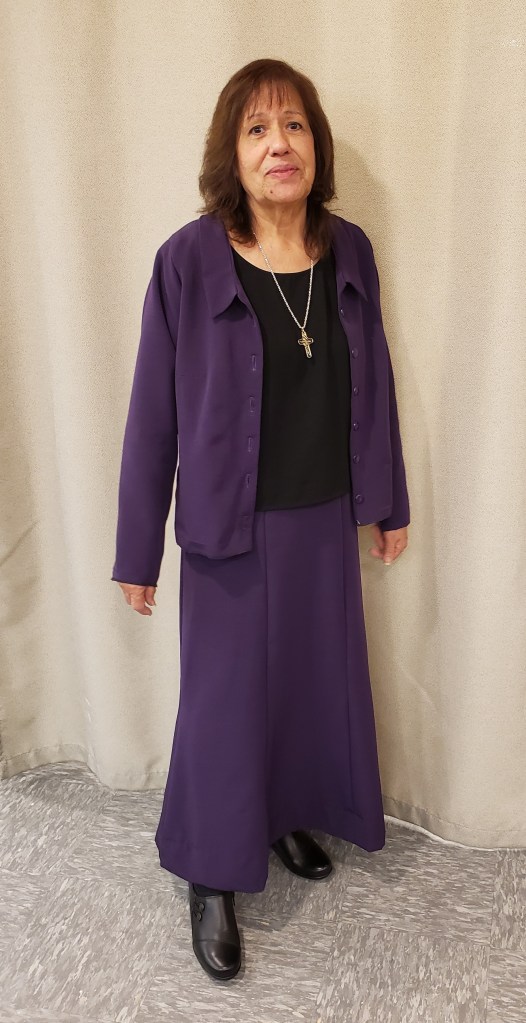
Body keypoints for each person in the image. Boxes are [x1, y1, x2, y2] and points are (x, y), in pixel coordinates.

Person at [111, 57, 410, 982]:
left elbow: (377, 379)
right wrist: (135, 549)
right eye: (256, 129)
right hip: (227, 526)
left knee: (308, 684)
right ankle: (210, 869)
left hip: (323, 514)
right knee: (224, 703)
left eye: (294, 126)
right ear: (230, 155)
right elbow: (152, 412)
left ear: (316, 147)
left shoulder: (348, 250)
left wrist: (388, 500)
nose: (279, 144)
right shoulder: (187, 260)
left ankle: (279, 818)